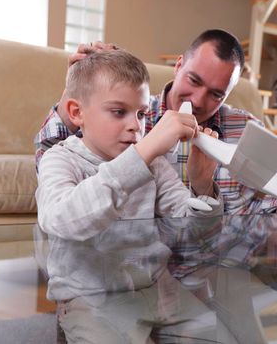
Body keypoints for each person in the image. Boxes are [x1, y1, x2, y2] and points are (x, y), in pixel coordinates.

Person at [36, 50, 235, 343]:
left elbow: (193, 232)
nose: (136, 126)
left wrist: (202, 184)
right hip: (91, 297)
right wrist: (142, 154)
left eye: (141, 113)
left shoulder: (153, 164)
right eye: (119, 112)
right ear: (77, 113)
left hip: (158, 288)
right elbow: (63, 219)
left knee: (221, 337)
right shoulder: (60, 160)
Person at [35, 29, 277, 216]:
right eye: (194, 80)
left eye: (216, 94)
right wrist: (76, 89)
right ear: (179, 66)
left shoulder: (243, 126)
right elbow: (55, 156)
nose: (199, 100)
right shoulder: (139, 112)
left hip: (212, 264)